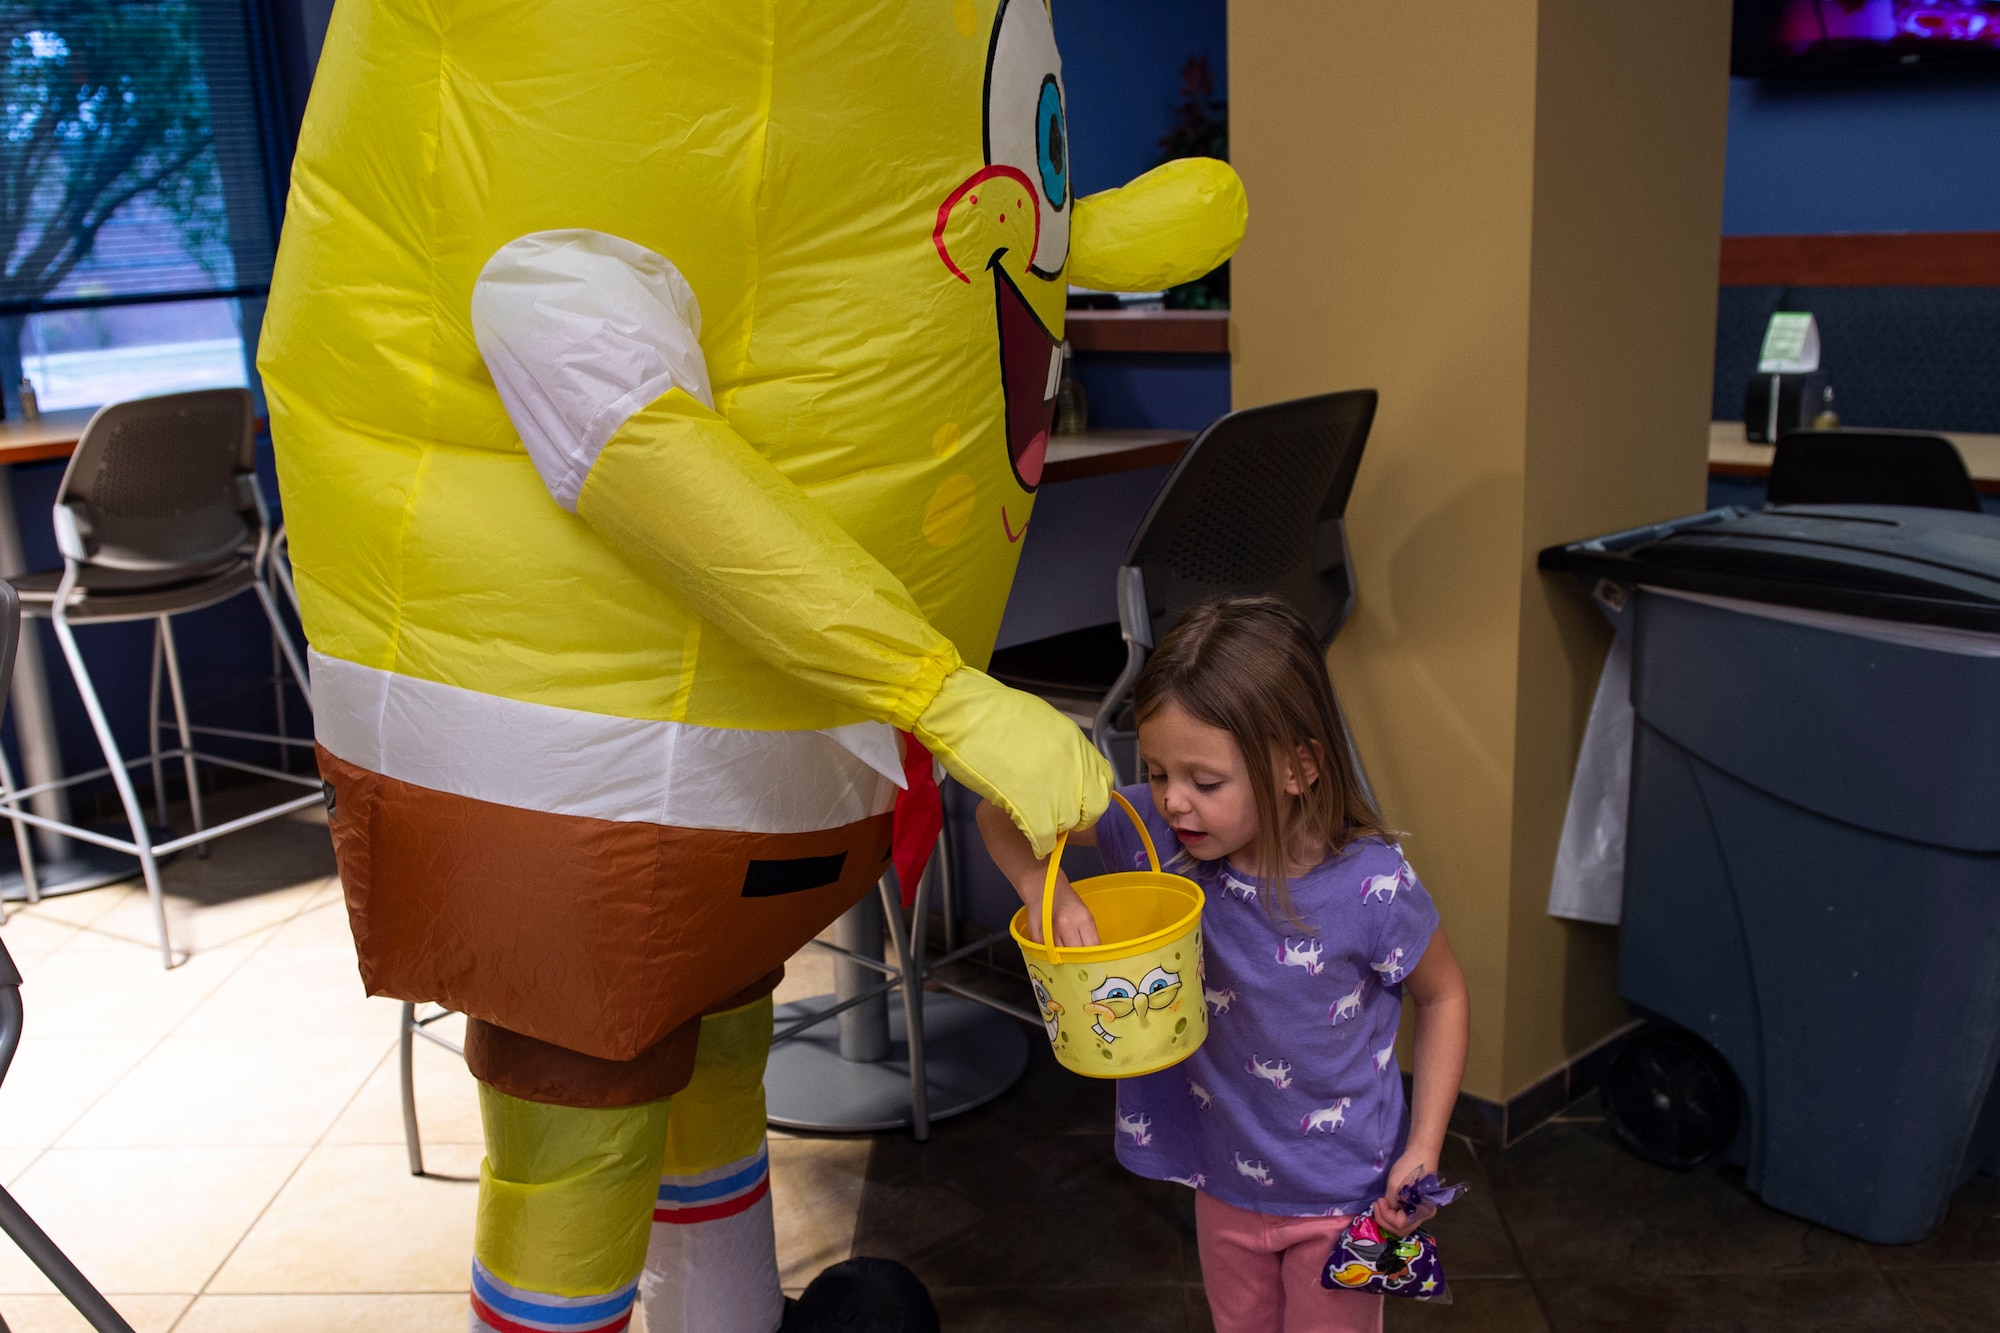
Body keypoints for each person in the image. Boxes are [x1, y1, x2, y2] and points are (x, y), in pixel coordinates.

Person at [977, 596, 1470, 1333]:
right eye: (1157, 769)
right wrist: (1043, 894)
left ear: (1298, 767)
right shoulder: (1156, 834)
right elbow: (998, 809)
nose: (1174, 798)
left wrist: (1424, 1145)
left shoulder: (1373, 886)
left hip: (1348, 1198)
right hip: (1223, 1183)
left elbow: (1445, 997)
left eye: (1205, 781)